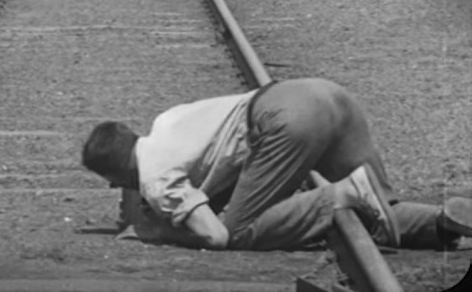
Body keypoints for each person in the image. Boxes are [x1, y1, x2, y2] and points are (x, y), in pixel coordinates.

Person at [81, 78, 472, 251]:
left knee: (239, 232)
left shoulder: (156, 179)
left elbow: (215, 236)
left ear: (116, 175)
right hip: (325, 95)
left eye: (113, 182)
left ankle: (344, 193)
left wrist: (158, 231)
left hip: (285, 120)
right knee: (382, 210)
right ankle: (442, 222)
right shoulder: (167, 121)